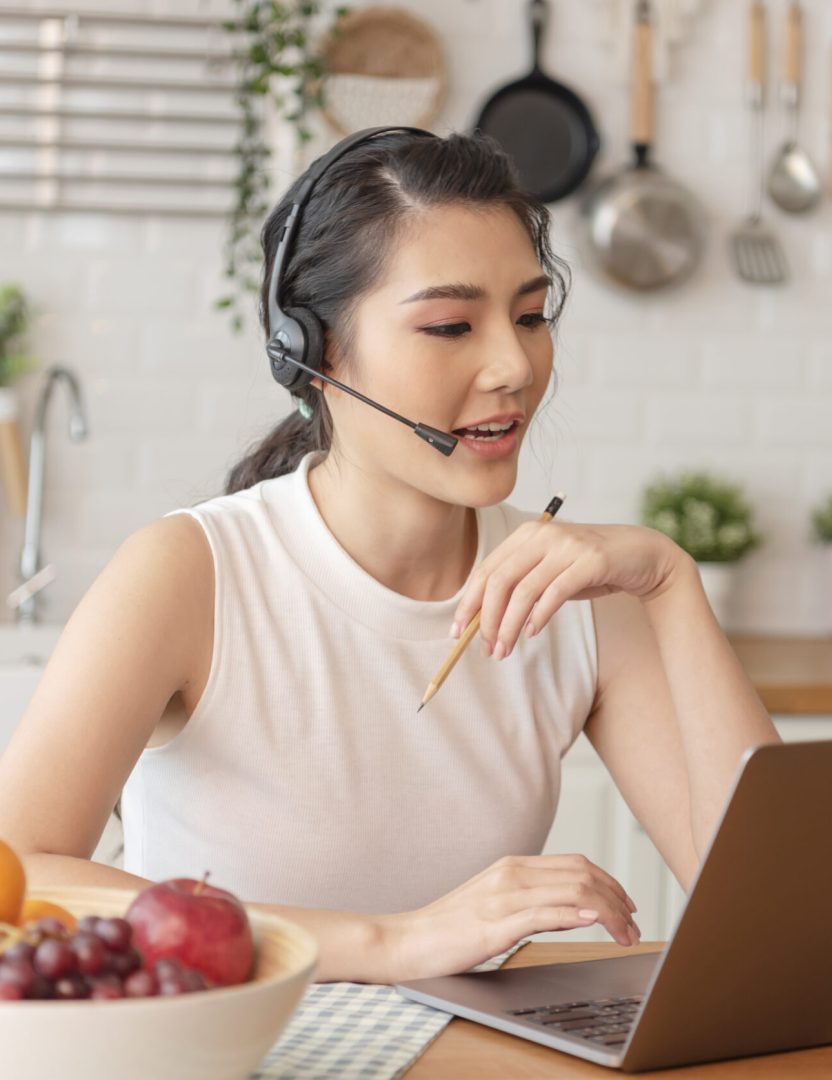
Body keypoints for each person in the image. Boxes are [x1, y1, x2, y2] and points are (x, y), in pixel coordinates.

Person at [0, 129, 778, 984]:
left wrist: (672, 584)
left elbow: (774, 912)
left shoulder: (580, 595)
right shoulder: (190, 573)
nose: (514, 366)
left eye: (530, 315)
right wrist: (398, 942)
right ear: (312, 351)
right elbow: (22, 871)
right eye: (450, 325)